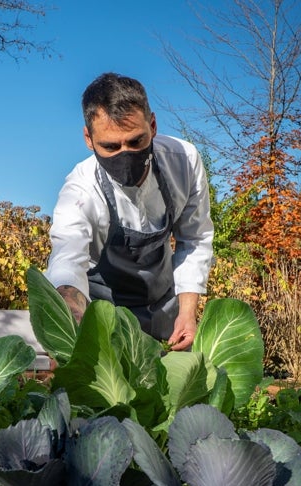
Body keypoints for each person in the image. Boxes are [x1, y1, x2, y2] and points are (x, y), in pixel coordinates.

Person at [45, 72, 214, 351]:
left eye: (135, 142)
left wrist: (188, 312)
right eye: (110, 146)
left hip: (165, 311)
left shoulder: (183, 161)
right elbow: (67, 258)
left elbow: (194, 239)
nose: (125, 154)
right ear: (89, 138)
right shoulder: (80, 188)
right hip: (104, 315)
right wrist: (69, 328)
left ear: (153, 125)